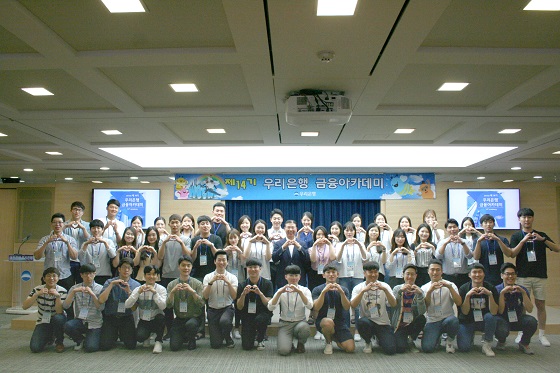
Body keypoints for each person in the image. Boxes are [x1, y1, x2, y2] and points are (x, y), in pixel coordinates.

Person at [509, 207, 559, 347]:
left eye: (529, 217)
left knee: (540, 305)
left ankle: (542, 334)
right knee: (523, 305)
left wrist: (542, 240)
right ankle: (521, 333)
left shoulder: (541, 234)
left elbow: (557, 248)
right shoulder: (516, 236)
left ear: (533, 219)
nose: (526, 219)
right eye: (523, 217)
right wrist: (523, 241)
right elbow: (512, 253)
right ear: (519, 220)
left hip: (540, 276)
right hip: (523, 276)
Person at [457, 263, 506, 356]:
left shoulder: (491, 288)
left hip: (485, 321)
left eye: (480, 272)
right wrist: (467, 296)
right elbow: (464, 311)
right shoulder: (463, 288)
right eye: (474, 272)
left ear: (484, 274)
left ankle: (487, 344)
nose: (477, 275)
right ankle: (470, 336)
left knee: (491, 317)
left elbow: (494, 312)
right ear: (469, 275)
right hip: (467, 321)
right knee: (464, 348)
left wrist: (490, 295)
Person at [351, 261, 397, 355]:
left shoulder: (385, 286)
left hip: (382, 323)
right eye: (370, 272)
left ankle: (379, 338)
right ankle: (368, 342)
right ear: (364, 273)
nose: (373, 274)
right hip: (367, 322)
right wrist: (363, 291)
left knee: (391, 350)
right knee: (362, 322)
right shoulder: (358, 287)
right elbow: (353, 305)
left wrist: (385, 290)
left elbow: (393, 304)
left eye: (375, 272)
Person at [158, 214, 192, 338]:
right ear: (169, 224)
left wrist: (181, 242)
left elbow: (188, 256)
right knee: (168, 306)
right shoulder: (163, 239)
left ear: (181, 224)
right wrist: (165, 242)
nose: (175, 225)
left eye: (177, 222)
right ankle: (170, 331)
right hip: (166, 275)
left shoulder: (186, 239)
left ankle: (183, 331)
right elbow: (160, 257)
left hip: (181, 276)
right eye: (172, 222)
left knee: (182, 303)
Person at [267, 265, 313, 355]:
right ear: (286, 277)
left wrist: (300, 293)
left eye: (296, 275)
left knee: (304, 328)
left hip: (300, 322)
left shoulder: (305, 290)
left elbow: (310, 306)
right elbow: (270, 307)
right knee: (283, 351)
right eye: (291, 275)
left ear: (300, 277)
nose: (294, 278)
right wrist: (279, 293)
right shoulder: (281, 290)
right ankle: (289, 342)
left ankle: (301, 343)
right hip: (285, 324)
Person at [191, 214, 224, 340]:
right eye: (202, 224)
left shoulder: (216, 238)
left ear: (211, 225)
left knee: (212, 303)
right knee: (200, 303)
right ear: (199, 226)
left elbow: (220, 257)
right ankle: (200, 330)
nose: (205, 226)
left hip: (212, 274)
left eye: (207, 223)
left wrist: (211, 245)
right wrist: (195, 247)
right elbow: (192, 259)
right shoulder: (194, 240)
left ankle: (213, 329)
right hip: (198, 275)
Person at [98, 258, 141, 351]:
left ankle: (119, 334)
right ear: (119, 269)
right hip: (110, 317)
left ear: (132, 270)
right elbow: (101, 300)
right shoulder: (109, 282)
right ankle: (113, 336)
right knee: (104, 346)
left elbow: (134, 308)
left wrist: (129, 292)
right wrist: (111, 285)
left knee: (131, 346)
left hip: (126, 317)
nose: (126, 270)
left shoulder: (136, 285)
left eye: (129, 268)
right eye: (124, 267)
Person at [495, 263, 538, 355]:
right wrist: (502, 294)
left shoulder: (522, 289)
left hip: (517, 318)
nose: (510, 276)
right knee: (500, 327)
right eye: (507, 274)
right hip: (502, 320)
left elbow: (530, 309)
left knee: (532, 321)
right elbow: (500, 311)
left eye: (513, 274)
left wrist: (523, 293)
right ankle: (501, 341)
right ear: (502, 275)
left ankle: (524, 343)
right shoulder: (497, 290)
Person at [312, 264, 355, 355]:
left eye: (333, 272)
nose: (331, 274)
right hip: (323, 321)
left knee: (350, 348)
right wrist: (323, 292)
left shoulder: (343, 289)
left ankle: (333, 336)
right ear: (323, 275)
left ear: (337, 274)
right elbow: (316, 308)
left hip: (339, 322)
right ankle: (328, 342)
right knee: (328, 322)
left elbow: (347, 307)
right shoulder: (317, 289)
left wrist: (341, 293)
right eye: (328, 272)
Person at [420, 259, 461, 353]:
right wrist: (429, 291)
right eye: (432, 270)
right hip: (432, 321)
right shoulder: (424, 288)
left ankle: (450, 340)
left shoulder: (451, 285)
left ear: (442, 271)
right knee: (427, 348)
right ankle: (436, 338)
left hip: (447, 319)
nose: (435, 272)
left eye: (438, 270)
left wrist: (450, 288)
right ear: (428, 271)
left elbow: (459, 303)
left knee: (454, 321)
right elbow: (424, 307)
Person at [23, 267, 68, 353]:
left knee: (58, 318)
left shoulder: (62, 291)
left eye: (54, 276)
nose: (51, 278)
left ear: (58, 278)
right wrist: (36, 295)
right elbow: (25, 306)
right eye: (48, 276)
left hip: (57, 319)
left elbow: (59, 311)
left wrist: (58, 296)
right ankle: (49, 336)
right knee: (35, 348)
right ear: (44, 278)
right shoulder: (37, 289)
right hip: (43, 321)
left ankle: (59, 342)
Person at [336, 221, 368, 341]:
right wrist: (343, 245)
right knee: (345, 305)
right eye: (347, 230)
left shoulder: (360, 244)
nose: (349, 232)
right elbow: (337, 259)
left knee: (357, 304)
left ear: (355, 231)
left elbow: (366, 258)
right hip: (344, 276)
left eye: (351, 230)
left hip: (357, 276)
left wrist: (359, 245)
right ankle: (346, 330)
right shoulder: (339, 244)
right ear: (343, 232)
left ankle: (357, 331)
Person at [125, 265, 167, 354]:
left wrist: (155, 293)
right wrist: (137, 293)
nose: (151, 277)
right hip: (144, 319)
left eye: (154, 274)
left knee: (161, 318)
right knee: (140, 337)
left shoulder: (161, 289)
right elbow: (127, 305)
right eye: (148, 274)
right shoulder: (138, 289)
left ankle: (158, 341)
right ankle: (146, 336)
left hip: (156, 319)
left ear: (157, 276)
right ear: (144, 276)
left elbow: (163, 307)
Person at [166, 256, 205, 351]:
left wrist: (192, 292)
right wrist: (172, 293)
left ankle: (192, 339)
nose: (186, 268)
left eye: (188, 265)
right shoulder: (172, 284)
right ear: (178, 267)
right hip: (179, 318)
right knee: (174, 347)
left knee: (190, 325)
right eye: (183, 265)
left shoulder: (197, 283)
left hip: (194, 317)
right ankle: (184, 336)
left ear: (191, 267)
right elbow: (168, 305)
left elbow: (201, 304)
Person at [63, 264, 104, 352]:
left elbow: (101, 308)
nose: (88, 276)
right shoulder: (75, 288)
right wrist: (73, 293)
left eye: (90, 273)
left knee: (91, 348)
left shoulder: (100, 288)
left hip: (94, 322)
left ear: (95, 274)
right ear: (81, 275)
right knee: (67, 326)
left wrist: (92, 294)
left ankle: (90, 336)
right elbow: (65, 306)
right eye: (85, 274)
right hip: (80, 320)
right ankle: (80, 340)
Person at [235, 258, 274, 350]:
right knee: (247, 346)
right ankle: (253, 334)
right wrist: (243, 294)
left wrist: (260, 293)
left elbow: (268, 304)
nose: (253, 270)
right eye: (250, 267)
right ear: (247, 269)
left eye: (255, 267)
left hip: (262, 312)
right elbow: (239, 307)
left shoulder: (267, 283)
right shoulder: (242, 285)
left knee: (261, 319)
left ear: (260, 269)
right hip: (247, 314)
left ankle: (261, 338)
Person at [203, 250, 238, 348]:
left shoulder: (232, 277)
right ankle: (221, 333)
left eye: (224, 260)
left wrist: (228, 282)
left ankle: (227, 336)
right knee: (215, 345)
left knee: (225, 321)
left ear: (227, 262)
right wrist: (210, 282)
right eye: (219, 260)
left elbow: (234, 296)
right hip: (212, 310)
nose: (221, 263)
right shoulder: (208, 277)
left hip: (227, 308)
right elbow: (205, 296)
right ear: (214, 261)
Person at [35, 213, 78, 292]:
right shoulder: (45, 239)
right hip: (48, 277)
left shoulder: (70, 239)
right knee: (48, 300)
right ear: (51, 224)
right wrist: (46, 243)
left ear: (64, 224)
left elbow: (74, 257)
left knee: (66, 302)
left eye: (60, 222)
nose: (57, 224)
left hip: (65, 276)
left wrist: (67, 243)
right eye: (54, 222)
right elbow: (37, 256)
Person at [391, 264, 426, 353]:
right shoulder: (397, 288)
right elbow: (393, 306)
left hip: (412, 323)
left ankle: (411, 339)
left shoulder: (420, 290)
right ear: (403, 275)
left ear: (416, 276)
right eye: (407, 274)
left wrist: (420, 295)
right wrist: (400, 292)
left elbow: (422, 311)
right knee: (400, 349)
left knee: (422, 318)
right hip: (399, 325)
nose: (410, 277)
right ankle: (404, 340)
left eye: (412, 274)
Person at [473, 214, 512, 285]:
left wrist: (498, 240)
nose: (488, 225)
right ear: (481, 225)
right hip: (483, 275)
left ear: (494, 224)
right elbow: (476, 257)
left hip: (499, 274)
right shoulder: (477, 240)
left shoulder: (502, 239)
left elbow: (509, 254)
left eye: (490, 222)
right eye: (485, 223)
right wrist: (479, 242)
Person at [435, 218, 473, 289]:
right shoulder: (442, 242)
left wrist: (462, 243)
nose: (452, 229)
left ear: (458, 228)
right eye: (450, 227)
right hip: (447, 276)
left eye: (454, 227)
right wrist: (445, 243)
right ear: (446, 229)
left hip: (463, 276)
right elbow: (438, 256)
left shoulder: (466, 242)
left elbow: (470, 256)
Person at [272, 220, 310, 288]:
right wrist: (283, 247)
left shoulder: (302, 244)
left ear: (296, 229)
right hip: (283, 279)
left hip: (299, 279)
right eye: (288, 227)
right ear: (284, 229)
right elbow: (274, 259)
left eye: (292, 227)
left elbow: (307, 259)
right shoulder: (278, 243)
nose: (290, 229)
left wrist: (299, 247)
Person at [78, 219, 116, 286]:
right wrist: (86, 244)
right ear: (90, 230)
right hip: (89, 275)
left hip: (104, 274)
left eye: (98, 228)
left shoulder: (108, 241)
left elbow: (113, 255)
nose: (96, 230)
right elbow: (80, 258)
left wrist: (105, 243)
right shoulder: (85, 243)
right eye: (93, 228)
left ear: (102, 229)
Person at [63, 201, 90, 283]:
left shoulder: (87, 225)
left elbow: (89, 239)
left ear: (83, 212)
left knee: (81, 283)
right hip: (67, 259)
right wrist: (66, 226)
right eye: (75, 209)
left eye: (79, 210)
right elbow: (59, 234)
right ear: (71, 211)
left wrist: (83, 228)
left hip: (82, 259)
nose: (77, 212)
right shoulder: (64, 224)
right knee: (68, 283)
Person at [308, 226, 336, 293]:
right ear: (315, 236)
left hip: (327, 273)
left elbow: (333, 258)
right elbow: (313, 260)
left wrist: (329, 243)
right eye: (318, 234)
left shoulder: (330, 246)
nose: (321, 236)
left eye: (323, 234)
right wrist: (314, 245)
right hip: (314, 274)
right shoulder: (311, 248)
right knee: (315, 293)